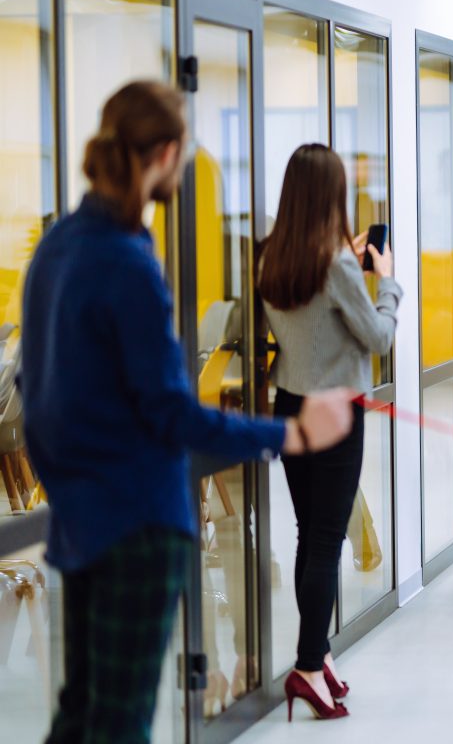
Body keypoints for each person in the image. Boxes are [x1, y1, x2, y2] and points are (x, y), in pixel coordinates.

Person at [20, 82, 354, 742]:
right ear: (168, 154)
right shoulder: (127, 264)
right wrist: (291, 431)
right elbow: (174, 414)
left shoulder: (55, 248)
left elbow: (37, 392)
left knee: (80, 714)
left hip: (81, 526)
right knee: (119, 722)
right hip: (136, 531)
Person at [260, 143, 402, 721]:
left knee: (308, 533)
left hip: (289, 403)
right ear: (333, 195)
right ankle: (309, 668)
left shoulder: (271, 254)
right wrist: (387, 283)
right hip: (335, 411)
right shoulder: (338, 263)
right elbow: (378, 337)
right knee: (326, 539)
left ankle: (315, 654)